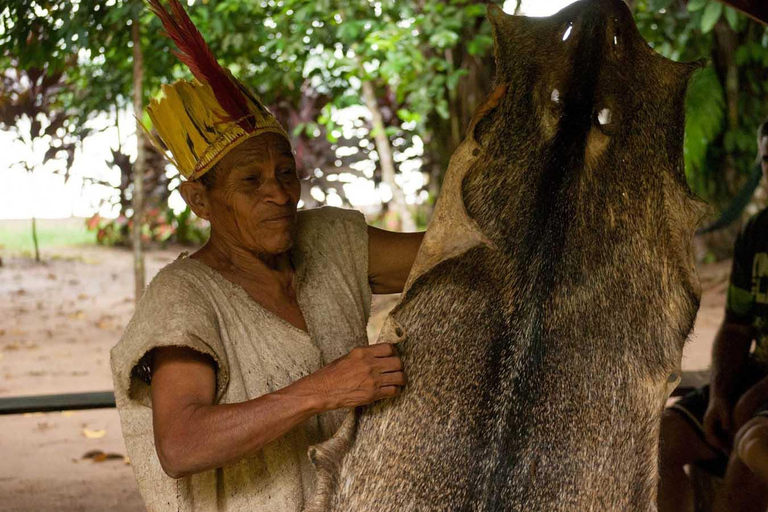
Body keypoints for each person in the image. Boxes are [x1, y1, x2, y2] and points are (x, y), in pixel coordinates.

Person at [110, 2, 423, 511]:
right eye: (250, 181)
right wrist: (321, 390)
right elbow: (181, 444)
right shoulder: (183, 296)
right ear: (199, 201)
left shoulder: (331, 241)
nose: (278, 195)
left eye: (285, 173)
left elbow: (448, 257)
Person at [657, 118, 768, 512]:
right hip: (755, 378)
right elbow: (736, 329)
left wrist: (752, 397)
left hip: (761, 393)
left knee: (751, 456)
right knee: (658, 442)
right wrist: (721, 395)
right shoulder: (757, 233)